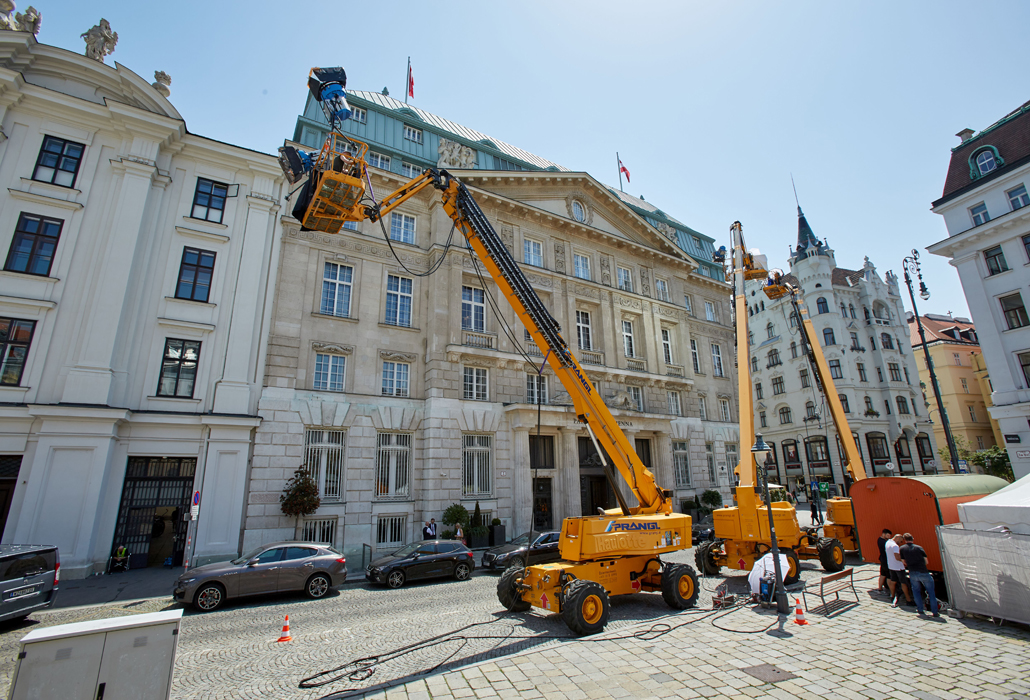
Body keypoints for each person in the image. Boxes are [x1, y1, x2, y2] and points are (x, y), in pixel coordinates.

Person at [900, 533, 940, 617]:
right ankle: (935, 612)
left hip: (912, 572)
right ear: (913, 539)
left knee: (916, 591)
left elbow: (904, 562)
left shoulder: (902, 549)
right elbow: (926, 561)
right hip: (923, 571)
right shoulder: (919, 548)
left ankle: (920, 609)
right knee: (931, 592)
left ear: (904, 540)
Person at [886, 534, 914, 607]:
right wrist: (905, 561)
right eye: (901, 541)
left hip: (891, 566)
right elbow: (897, 557)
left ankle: (892, 596)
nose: (901, 543)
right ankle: (908, 600)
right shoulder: (895, 546)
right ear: (897, 538)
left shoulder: (888, 543)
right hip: (899, 567)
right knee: (903, 583)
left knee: (893, 581)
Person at [876, 528, 893, 593]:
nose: (889, 537)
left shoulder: (879, 540)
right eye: (888, 536)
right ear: (884, 534)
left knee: (882, 574)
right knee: (888, 575)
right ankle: (891, 590)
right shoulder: (883, 542)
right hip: (885, 560)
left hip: (882, 559)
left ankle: (880, 588)